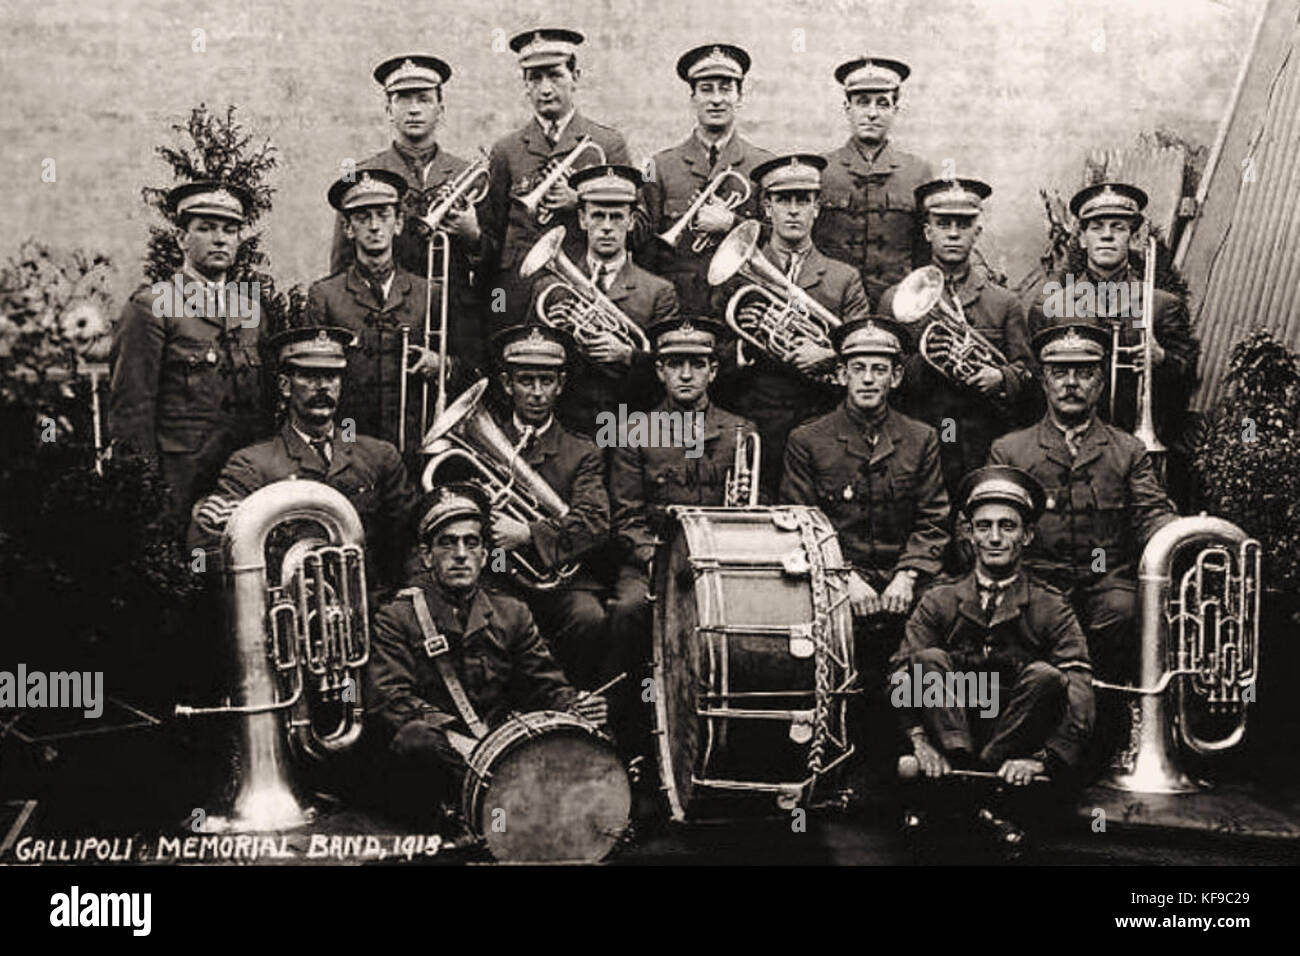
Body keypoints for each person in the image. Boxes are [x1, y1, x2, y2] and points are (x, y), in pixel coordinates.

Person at [364, 482, 607, 823]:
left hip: (498, 752)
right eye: (447, 542)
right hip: (443, 756)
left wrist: (575, 705)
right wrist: (455, 738)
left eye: (471, 542)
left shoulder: (512, 612)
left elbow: (545, 686)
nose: (460, 554)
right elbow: (388, 699)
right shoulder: (398, 616)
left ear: (484, 554)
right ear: (426, 555)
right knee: (414, 741)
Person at [888, 465, 1094, 851]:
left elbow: (1080, 683)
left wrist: (1044, 760)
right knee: (926, 660)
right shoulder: (940, 598)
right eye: (983, 527)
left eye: (1008, 526)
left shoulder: (1051, 604)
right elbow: (901, 674)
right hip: (951, 726)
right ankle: (984, 803)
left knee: (1047, 677)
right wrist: (919, 741)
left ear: (1027, 535)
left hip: (1012, 735)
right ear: (969, 534)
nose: (995, 538)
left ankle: (957, 793)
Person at [986, 320, 1177, 682]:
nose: (1071, 383)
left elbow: (1150, 513)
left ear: (1101, 384)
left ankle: (1113, 717)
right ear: (1044, 382)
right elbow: (984, 522)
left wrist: (1173, 533)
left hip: (1106, 582)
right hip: (1035, 580)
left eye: (1084, 373)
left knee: (1124, 611)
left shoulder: (1128, 450)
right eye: (1059, 373)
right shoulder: (1010, 449)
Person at [606, 317, 756, 756]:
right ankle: (627, 737)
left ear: (713, 370)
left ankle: (733, 742)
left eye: (697, 364)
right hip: (653, 563)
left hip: (723, 564)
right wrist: (659, 561)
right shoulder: (634, 432)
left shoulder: (741, 432)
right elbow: (627, 520)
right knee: (628, 611)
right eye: (675, 365)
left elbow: (750, 514)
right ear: (659, 371)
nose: (686, 375)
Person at [188, 326, 418, 598]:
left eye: (332, 376)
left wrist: (406, 597)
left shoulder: (379, 456)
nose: (322, 386)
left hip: (371, 613)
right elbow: (199, 554)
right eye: (309, 376)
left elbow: (412, 539)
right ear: (285, 386)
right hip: (285, 615)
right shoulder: (251, 465)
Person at [108, 180, 267, 522]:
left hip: (244, 483)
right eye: (206, 229)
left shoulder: (250, 309)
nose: (220, 239)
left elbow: (264, 407)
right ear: (182, 239)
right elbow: (132, 414)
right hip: (179, 484)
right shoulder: (153, 305)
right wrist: (147, 494)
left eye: (230, 229)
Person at [714, 153, 871, 499]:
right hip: (755, 415)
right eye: (783, 200)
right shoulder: (737, 273)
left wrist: (830, 355)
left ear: (817, 208)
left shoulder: (844, 278)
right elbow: (710, 357)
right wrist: (743, 348)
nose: (794, 210)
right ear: (767, 208)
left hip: (822, 420)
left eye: (804, 200)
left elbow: (867, 351)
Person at [1028, 182, 1199, 488]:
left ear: (1133, 237)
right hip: (1069, 453)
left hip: (1138, 452)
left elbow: (1188, 384)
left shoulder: (1162, 305)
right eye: (1096, 227)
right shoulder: (1052, 305)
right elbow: (1034, 384)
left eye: (1118, 227)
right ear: (1081, 238)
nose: (1107, 235)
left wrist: (1161, 360)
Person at [326, 54, 486, 371]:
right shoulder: (362, 175)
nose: (413, 109)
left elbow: (491, 263)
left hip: (452, 318)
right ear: (388, 110)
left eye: (424, 99)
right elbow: (341, 263)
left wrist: (473, 236)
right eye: (402, 100)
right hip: (383, 316)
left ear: (441, 109)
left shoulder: (468, 174)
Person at [878, 177, 1034, 497]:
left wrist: (1000, 377)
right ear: (927, 232)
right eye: (943, 223)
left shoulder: (1004, 302)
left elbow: (1028, 372)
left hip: (983, 434)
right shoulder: (897, 298)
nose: (952, 233)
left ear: (977, 231)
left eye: (963, 224)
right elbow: (882, 373)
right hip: (920, 432)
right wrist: (927, 361)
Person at [480, 28, 635, 331]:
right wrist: (494, 299)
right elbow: (492, 233)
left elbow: (636, 224)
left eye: (555, 76)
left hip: (581, 283)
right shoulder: (506, 149)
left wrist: (583, 202)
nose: (545, 89)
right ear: (525, 85)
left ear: (576, 76)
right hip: (516, 288)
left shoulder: (607, 143)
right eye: (534, 79)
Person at [484, 323, 611, 688]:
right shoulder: (484, 441)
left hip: (563, 581)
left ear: (561, 384)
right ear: (507, 384)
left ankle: (575, 705)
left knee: (589, 617)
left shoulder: (582, 450)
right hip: (497, 573)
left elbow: (595, 523)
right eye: (526, 381)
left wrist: (527, 533)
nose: (537, 392)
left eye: (546, 381)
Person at [528, 164, 679, 437]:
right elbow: (532, 365)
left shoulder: (659, 291)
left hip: (632, 428)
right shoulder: (550, 287)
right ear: (582, 219)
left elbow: (672, 372)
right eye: (598, 216)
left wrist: (627, 355)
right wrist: (560, 339)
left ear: (631, 221)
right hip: (568, 427)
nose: (607, 227)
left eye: (617, 217)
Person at [307, 170, 446, 463]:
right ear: (347, 228)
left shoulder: (429, 292)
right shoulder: (325, 295)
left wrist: (442, 364)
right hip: (350, 444)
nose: (373, 226)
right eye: (362, 217)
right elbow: (311, 379)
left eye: (383, 215)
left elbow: (468, 365)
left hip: (416, 445)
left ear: (398, 224)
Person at [637, 43, 772, 315]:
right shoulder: (657, 166)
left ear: (739, 96)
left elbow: (777, 241)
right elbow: (645, 250)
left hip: (740, 301)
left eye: (726, 88)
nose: (716, 99)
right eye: (706, 89)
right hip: (678, 304)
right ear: (692, 98)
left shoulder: (764, 164)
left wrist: (733, 224)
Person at [813, 57, 935, 304]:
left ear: (895, 110)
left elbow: (926, 253)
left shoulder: (918, 173)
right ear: (847, 107)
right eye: (862, 103)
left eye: (882, 104)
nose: (871, 113)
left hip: (898, 304)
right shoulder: (822, 170)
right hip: (832, 302)